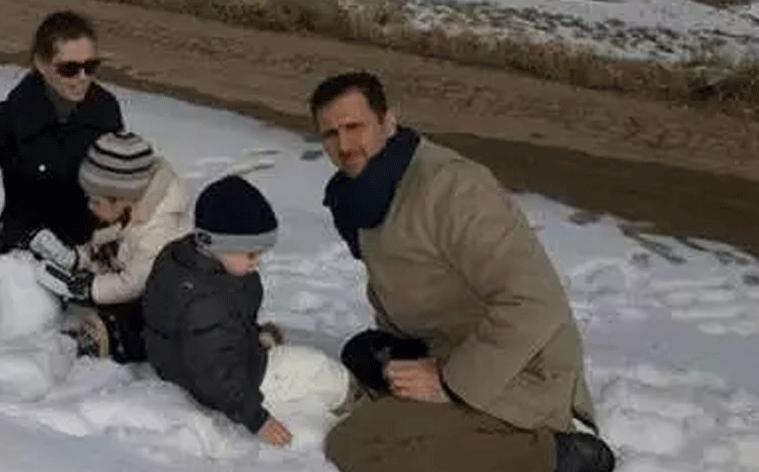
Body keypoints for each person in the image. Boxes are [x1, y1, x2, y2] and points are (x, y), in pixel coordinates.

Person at [309, 72, 616, 472]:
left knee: (356, 442)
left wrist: (447, 380)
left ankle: (556, 454)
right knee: (361, 356)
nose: (345, 145)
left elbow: (535, 301)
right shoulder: (362, 196)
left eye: (354, 127)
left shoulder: (453, 188)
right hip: (446, 346)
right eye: (330, 134)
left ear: (388, 122)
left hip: (519, 370)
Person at [141, 175, 348, 449]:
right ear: (215, 244)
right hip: (225, 383)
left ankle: (257, 342)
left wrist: (248, 334)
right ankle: (352, 397)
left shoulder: (182, 259)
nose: (257, 262)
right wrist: (256, 418)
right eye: (251, 254)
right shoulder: (207, 302)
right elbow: (216, 373)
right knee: (317, 368)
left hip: (178, 362)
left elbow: (210, 333)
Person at [0, 10, 123, 251]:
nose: (83, 77)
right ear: (42, 64)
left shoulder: (105, 111)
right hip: (25, 252)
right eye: (69, 69)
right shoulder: (10, 117)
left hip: (89, 249)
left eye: (91, 66)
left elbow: (118, 186)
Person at [28, 131, 190, 363]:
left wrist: (90, 288)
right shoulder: (125, 212)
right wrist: (79, 258)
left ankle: (120, 340)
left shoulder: (158, 229)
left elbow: (132, 284)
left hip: (171, 296)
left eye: (96, 201)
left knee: (148, 320)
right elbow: (106, 247)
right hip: (136, 279)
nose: (90, 207)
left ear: (123, 199)